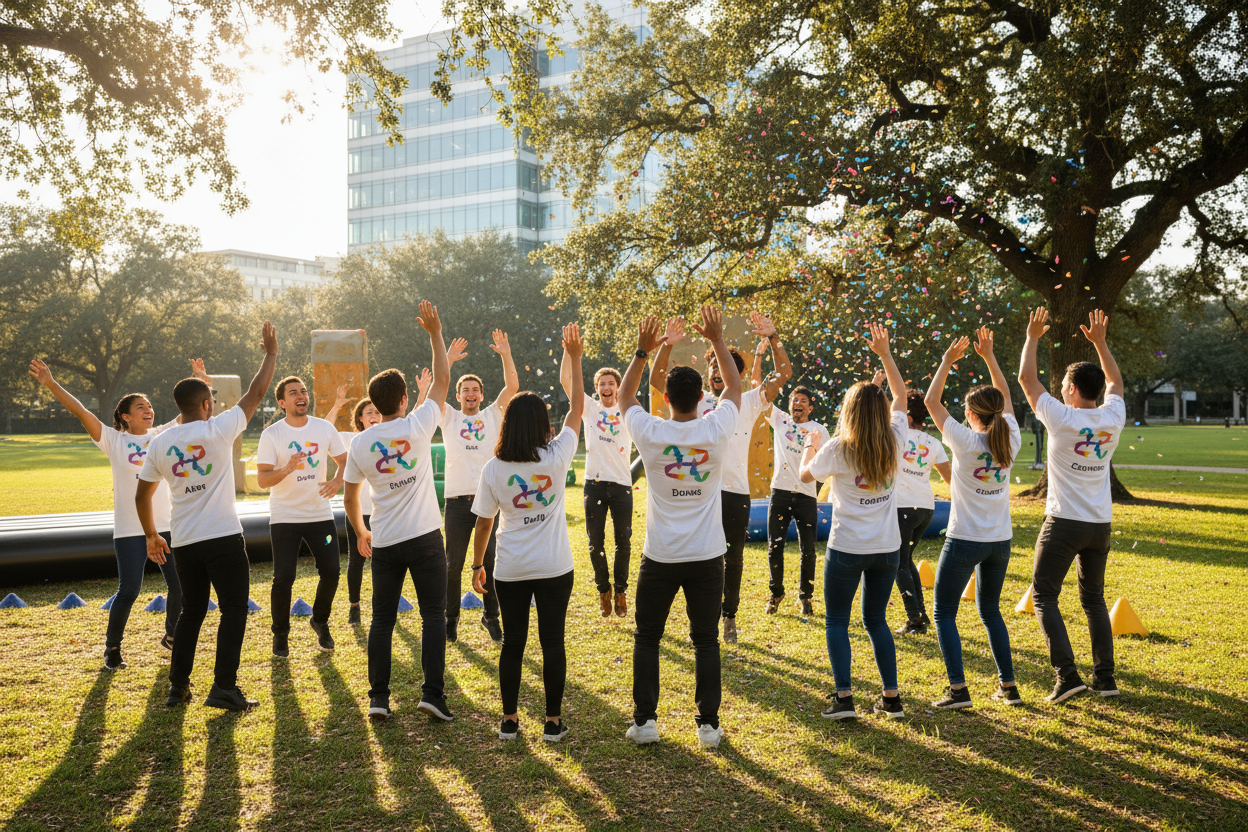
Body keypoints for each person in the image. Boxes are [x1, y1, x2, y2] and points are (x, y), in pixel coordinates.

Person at [27, 359, 209, 669]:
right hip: (130, 530)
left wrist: (199, 379)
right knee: (129, 591)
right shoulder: (114, 440)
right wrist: (50, 383)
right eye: (140, 407)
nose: (148, 409)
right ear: (126, 416)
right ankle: (112, 649)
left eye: (149, 405)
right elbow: (81, 411)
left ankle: (172, 636)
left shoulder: (162, 434)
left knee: (180, 586)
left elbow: (192, 408)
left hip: (167, 526)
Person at [136, 322, 278, 711]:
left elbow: (142, 494)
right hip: (222, 538)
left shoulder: (159, 442)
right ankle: (224, 688)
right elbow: (256, 392)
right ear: (206, 405)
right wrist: (270, 353)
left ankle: (177, 688)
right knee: (233, 609)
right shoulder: (218, 430)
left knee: (192, 611)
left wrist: (151, 535)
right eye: (211, 400)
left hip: (184, 541)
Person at [620, 307, 742, 750]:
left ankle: (645, 723)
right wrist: (718, 339)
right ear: (700, 397)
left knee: (648, 638)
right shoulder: (716, 429)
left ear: (667, 397)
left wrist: (643, 350)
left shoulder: (651, 432)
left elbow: (625, 396)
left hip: (661, 556)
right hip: (708, 555)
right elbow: (734, 387)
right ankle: (708, 727)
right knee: (706, 640)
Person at [471, 323, 585, 742]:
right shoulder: (557, 456)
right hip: (555, 567)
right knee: (553, 643)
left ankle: (509, 720)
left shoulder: (493, 468)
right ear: (542, 425)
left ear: (507, 424)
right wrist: (575, 357)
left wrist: (477, 565)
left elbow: (484, 522)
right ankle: (553, 722)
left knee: (513, 645)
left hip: (511, 569)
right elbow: (577, 408)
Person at [343, 300, 454, 722]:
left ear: (374, 404)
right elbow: (442, 379)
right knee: (433, 616)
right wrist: (435, 334)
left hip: (385, 541)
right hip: (425, 537)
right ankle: (432, 694)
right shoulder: (418, 424)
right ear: (405, 399)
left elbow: (350, 497)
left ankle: (378, 698)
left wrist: (360, 531)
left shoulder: (360, 443)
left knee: (382, 621)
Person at [799, 322, 908, 721]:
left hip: (846, 548)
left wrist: (808, 447)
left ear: (848, 412)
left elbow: (806, 477)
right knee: (877, 621)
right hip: (887, 548)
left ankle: (844, 699)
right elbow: (900, 396)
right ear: (882, 411)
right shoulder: (897, 439)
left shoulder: (837, 448)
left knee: (836, 622)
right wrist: (886, 354)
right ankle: (891, 699)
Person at [1018, 308, 1126, 702]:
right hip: (1099, 523)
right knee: (1094, 599)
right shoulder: (1113, 415)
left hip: (1064, 522)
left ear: (1074, 389)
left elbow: (1026, 379)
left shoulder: (1061, 417)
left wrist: (1032, 336)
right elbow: (1114, 381)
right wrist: (1100, 343)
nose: (1061, 388)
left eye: (1064, 383)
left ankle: (1067, 676)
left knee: (1044, 594)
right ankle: (1105, 679)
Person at [924, 327, 1023, 709]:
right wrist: (990, 357)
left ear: (969, 415)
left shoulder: (963, 440)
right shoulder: (1011, 436)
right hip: (1000, 541)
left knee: (943, 613)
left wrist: (947, 361)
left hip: (965, 539)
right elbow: (1006, 397)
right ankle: (1009, 687)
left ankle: (958, 691)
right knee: (991, 612)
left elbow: (931, 401)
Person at [435, 331, 518, 644]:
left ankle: (491, 617)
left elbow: (512, 387)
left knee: (491, 562)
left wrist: (505, 353)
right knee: (453, 565)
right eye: (465, 390)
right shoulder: (449, 417)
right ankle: (450, 620)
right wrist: (448, 360)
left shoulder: (492, 415)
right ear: (458, 396)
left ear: (482, 396)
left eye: (475, 390)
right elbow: (437, 387)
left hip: (489, 501)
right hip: (457, 503)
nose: (470, 394)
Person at [256, 376, 347, 657]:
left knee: (331, 571)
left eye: (304, 391)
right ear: (282, 402)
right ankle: (280, 634)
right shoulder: (272, 434)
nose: (301, 396)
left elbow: (344, 461)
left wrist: (337, 481)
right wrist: (287, 468)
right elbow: (262, 479)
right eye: (293, 392)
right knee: (284, 577)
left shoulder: (324, 428)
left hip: (320, 514)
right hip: (285, 517)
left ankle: (319, 620)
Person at [560, 358, 634, 618]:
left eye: (611, 383)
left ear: (618, 387)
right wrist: (569, 353)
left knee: (623, 541)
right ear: (596, 388)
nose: (606, 387)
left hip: (622, 485)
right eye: (602, 384)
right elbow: (566, 380)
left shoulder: (628, 409)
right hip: (595, 484)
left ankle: (621, 591)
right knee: (595, 542)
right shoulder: (589, 408)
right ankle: (604, 590)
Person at [764, 384, 830, 617]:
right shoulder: (780, 419)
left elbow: (824, 464)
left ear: (810, 408)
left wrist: (813, 489)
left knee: (808, 550)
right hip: (780, 493)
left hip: (806, 496)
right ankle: (776, 593)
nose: (798, 403)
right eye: (795, 400)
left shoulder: (819, 431)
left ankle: (806, 596)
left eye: (803, 401)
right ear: (789, 404)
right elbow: (761, 392)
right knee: (774, 546)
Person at [891, 384, 951, 636]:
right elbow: (950, 479)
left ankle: (914, 619)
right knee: (905, 560)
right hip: (926, 508)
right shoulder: (933, 442)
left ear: (907, 417)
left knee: (898, 564)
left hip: (902, 507)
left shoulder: (895, 435)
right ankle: (921, 615)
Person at [335, 396, 381, 625]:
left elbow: (410, 419)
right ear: (360, 419)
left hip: (383, 512)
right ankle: (354, 605)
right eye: (369, 412)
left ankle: (382, 605)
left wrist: (421, 393)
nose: (374, 416)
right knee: (357, 560)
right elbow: (322, 431)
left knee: (382, 562)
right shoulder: (350, 439)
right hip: (358, 512)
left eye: (378, 412)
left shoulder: (389, 438)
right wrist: (337, 405)